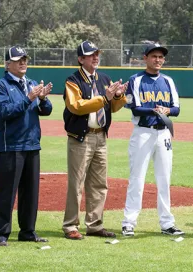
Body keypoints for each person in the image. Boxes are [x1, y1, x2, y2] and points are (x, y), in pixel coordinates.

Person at [62, 41, 128, 240]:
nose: (95, 58)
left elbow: (113, 108)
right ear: (81, 59)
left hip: (101, 136)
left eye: (97, 54)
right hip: (81, 138)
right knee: (77, 183)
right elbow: (76, 106)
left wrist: (118, 95)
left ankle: (95, 224)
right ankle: (70, 225)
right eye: (91, 55)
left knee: (99, 183)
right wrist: (104, 98)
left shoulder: (104, 78)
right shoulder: (73, 80)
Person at [0, 46, 53, 246]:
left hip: (32, 144)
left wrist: (42, 99)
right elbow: (5, 112)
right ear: (8, 64)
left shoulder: (32, 84)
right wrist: (29, 98)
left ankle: (27, 231)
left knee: (30, 192)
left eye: (25, 59)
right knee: (6, 192)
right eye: (18, 60)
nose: (23, 63)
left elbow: (46, 111)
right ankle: (0, 234)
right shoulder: (1, 85)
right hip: (11, 146)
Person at [121, 44, 184, 237]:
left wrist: (167, 111)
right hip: (143, 132)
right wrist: (156, 110)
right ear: (145, 58)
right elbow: (135, 108)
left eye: (161, 57)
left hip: (163, 132)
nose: (158, 60)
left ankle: (167, 223)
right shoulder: (136, 80)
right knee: (137, 178)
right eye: (154, 56)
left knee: (164, 179)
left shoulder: (168, 81)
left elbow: (176, 108)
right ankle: (129, 222)